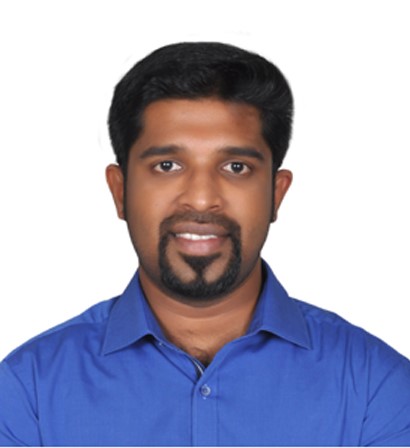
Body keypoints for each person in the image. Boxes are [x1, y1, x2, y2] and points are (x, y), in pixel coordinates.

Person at [1, 42, 410, 447]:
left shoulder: (377, 388)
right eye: (167, 166)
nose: (200, 199)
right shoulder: (27, 391)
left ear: (276, 193)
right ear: (120, 191)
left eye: (236, 167)